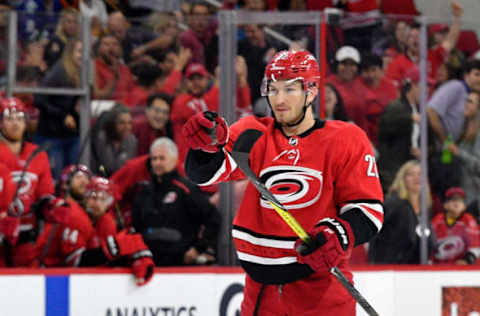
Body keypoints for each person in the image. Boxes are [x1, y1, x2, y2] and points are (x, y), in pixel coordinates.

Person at [183, 50, 384, 315]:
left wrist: (338, 234)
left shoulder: (345, 139)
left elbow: (368, 210)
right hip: (260, 294)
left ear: (311, 92)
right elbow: (207, 173)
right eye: (273, 89)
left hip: (320, 292)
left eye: (289, 89)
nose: (278, 99)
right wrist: (205, 145)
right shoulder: (254, 132)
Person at [36, 176, 155, 286]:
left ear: (110, 203)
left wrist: (138, 256)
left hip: (78, 281)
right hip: (47, 277)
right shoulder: (75, 216)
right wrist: (114, 248)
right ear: (85, 198)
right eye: (93, 197)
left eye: (103, 199)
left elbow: (117, 251)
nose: (97, 203)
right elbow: (74, 262)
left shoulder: (106, 221)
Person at [132, 137, 220, 266]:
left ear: (174, 160)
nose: (157, 163)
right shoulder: (144, 191)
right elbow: (136, 226)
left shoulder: (186, 189)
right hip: (149, 263)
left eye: (162, 158)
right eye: (154, 159)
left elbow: (213, 218)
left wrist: (198, 248)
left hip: (179, 265)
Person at [0, 97, 56, 267]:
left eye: (19, 119)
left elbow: (44, 194)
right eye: (9, 119)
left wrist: (52, 208)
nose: (15, 124)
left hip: (26, 237)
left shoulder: (38, 154)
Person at [34, 38, 82, 180]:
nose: (83, 55)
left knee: (72, 178)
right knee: (56, 178)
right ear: (70, 53)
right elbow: (39, 99)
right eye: (79, 51)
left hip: (71, 135)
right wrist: (63, 115)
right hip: (52, 136)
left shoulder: (80, 73)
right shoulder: (59, 71)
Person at [368, 160, 434, 264]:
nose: (417, 178)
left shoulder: (425, 208)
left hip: (415, 269)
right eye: (411, 174)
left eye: (420, 174)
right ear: (402, 179)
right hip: (391, 268)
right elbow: (375, 234)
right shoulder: (394, 204)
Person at [432, 187, 480, 265]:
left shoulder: (468, 220)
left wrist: (466, 261)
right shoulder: (437, 221)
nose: (457, 203)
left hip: (463, 269)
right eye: (453, 200)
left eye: (460, 200)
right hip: (439, 268)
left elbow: (476, 247)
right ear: (445, 205)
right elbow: (429, 245)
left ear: (464, 206)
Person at [91, 103, 137, 176]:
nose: (127, 127)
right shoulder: (101, 138)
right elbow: (108, 166)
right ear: (112, 124)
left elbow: (129, 168)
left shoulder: (132, 140)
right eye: (122, 123)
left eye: (129, 123)